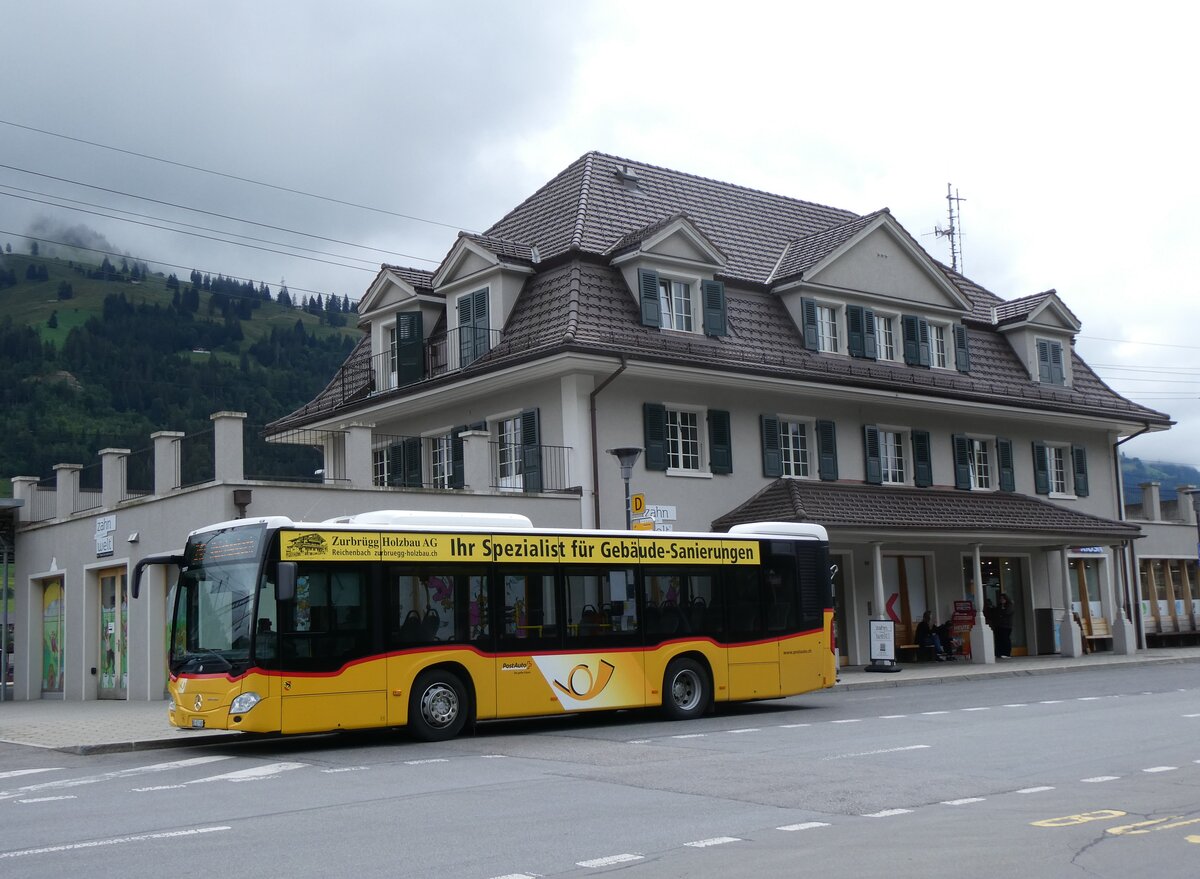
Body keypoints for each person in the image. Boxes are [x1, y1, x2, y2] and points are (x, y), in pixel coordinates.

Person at [993, 593, 1015, 659]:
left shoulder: (1010, 605)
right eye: (1001, 599)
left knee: (1005, 639)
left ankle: (1006, 653)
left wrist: (1001, 612)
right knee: (998, 640)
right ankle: (998, 653)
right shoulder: (999, 606)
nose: (1001, 600)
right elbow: (996, 613)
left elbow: (1007, 613)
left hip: (1006, 626)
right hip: (998, 625)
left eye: (1003, 598)